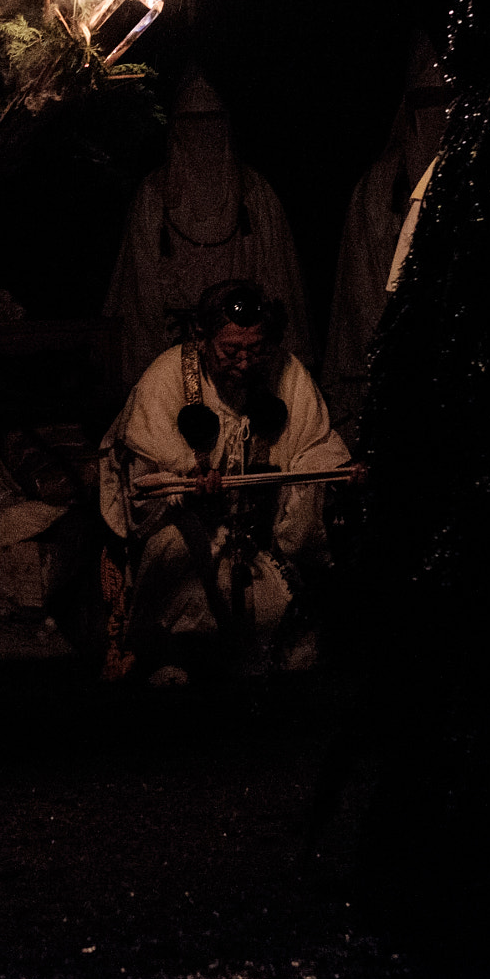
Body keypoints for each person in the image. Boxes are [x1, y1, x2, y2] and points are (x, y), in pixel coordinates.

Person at [98, 279, 350, 686]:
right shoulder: (166, 379)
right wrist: (184, 487)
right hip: (183, 531)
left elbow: (315, 447)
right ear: (202, 337)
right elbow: (141, 479)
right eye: (231, 351)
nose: (246, 363)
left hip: (261, 533)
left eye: (256, 350)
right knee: (179, 564)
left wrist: (333, 474)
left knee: (289, 645)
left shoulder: (287, 372)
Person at [102, 72, 312, 385]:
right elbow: (141, 290)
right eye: (191, 122)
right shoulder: (154, 195)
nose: (203, 132)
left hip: (243, 347)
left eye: (211, 120)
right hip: (174, 351)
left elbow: (277, 275)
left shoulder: (254, 192)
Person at [320, 31, 450, 435]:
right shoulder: (378, 188)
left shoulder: (469, 183)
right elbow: (362, 290)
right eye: (426, 107)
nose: (437, 118)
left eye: (445, 106)